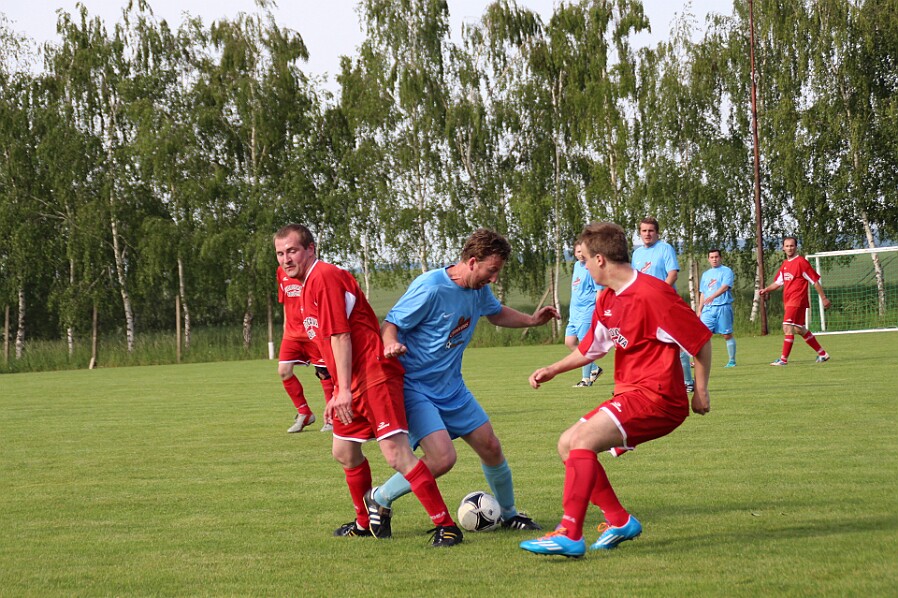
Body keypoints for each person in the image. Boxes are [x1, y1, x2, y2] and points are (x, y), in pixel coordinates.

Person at [519, 222, 712, 558]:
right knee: (567, 444)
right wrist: (553, 369)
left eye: (585, 260)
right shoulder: (607, 299)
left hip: (659, 398)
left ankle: (569, 533)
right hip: (631, 394)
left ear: (601, 260)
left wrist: (701, 392)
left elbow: (700, 341)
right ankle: (619, 520)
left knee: (581, 441)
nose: (584, 266)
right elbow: (590, 349)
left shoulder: (654, 295)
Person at [273, 223, 463, 547]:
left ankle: (446, 526)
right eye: (280, 253)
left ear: (311, 249)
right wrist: (335, 391)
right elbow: (326, 346)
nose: (286, 259)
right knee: (345, 451)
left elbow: (341, 336)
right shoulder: (304, 288)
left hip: (373, 374)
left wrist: (342, 390)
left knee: (396, 454)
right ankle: (366, 523)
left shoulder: (323, 277)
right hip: (353, 380)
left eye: (292, 251)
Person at [364, 229, 560, 539]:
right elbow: (391, 324)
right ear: (471, 261)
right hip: (416, 387)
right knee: (443, 459)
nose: (494, 279)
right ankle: (380, 497)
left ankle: (509, 515)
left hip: (452, 387)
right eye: (491, 270)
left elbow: (495, 314)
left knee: (491, 447)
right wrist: (390, 344)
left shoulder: (478, 288)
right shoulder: (431, 287)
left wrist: (532, 320)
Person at [630, 217, 695, 392]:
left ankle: (688, 382)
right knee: (646, 346)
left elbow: (672, 274)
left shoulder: (665, 249)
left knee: (675, 343)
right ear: (640, 233)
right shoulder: (636, 254)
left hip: (665, 304)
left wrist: (658, 294)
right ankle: (649, 384)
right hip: (644, 307)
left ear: (657, 232)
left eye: (650, 230)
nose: (647, 234)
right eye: (644, 231)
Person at [277, 265, 335, 432]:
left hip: (313, 330)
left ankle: (332, 418)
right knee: (284, 371)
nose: (286, 258)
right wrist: (284, 328)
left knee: (324, 373)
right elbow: (285, 303)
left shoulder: (314, 273)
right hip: (292, 333)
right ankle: (304, 413)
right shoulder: (281, 272)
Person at [759, 236, 831, 365]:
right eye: (787, 246)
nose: (789, 248)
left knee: (787, 327)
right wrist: (766, 290)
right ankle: (823, 354)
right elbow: (778, 282)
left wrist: (824, 298)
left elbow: (814, 281)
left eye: (792, 245)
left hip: (797, 300)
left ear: (796, 247)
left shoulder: (801, 262)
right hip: (789, 301)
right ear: (783, 248)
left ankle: (783, 359)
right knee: (799, 329)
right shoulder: (785, 264)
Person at [566, 242, 603, 387]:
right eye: (578, 252)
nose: (580, 254)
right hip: (574, 313)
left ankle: (585, 380)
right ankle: (594, 367)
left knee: (584, 346)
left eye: (583, 251)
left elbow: (598, 291)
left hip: (587, 311)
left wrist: (598, 311)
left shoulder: (592, 267)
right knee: (569, 342)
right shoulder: (576, 266)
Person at [697, 249, 737, 368]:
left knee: (727, 334)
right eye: (712, 257)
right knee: (701, 335)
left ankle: (732, 360)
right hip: (708, 310)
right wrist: (700, 309)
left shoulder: (726, 271)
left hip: (723, 307)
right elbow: (703, 293)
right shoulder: (706, 274)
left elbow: (725, 287)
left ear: (720, 258)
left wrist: (713, 297)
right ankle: (699, 361)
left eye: (716, 257)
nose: (714, 259)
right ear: (708, 259)